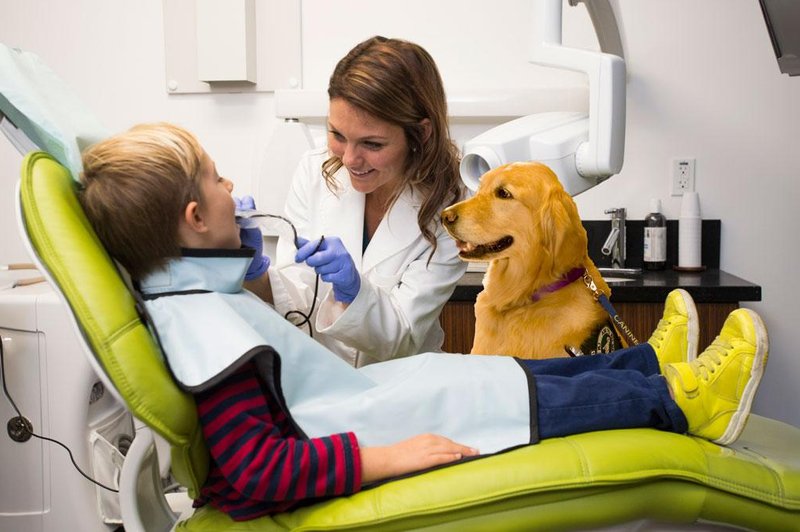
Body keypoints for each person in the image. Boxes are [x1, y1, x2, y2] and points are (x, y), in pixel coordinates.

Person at [79, 122, 769, 522]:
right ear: (195, 221)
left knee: (524, 377)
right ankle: (683, 403)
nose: (234, 188)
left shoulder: (196, 299)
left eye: (369, 140)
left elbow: (288, 349)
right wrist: (388, 457)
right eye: (216, 179)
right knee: (545, 400)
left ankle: (647, 361)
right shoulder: (203, 329)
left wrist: (245, 270)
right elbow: (258, 468)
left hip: (382, 392)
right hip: (379, 424)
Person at [241, 36, 467, 367]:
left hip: (403, 386)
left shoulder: (452, 206)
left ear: (422, 134)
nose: (349, 159)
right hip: (320, 378)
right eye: (337, 135)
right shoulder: (314, 170)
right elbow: (297, 304)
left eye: (372, 144)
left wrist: (355, 292)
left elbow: (403, 337)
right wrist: (249, 271)